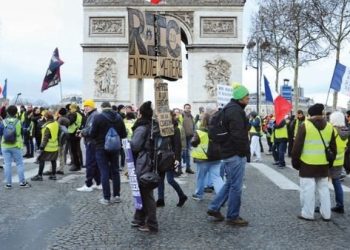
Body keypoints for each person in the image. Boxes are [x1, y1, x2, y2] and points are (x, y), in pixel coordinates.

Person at [207, 84, 250, 226]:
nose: (249, 99)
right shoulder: (236, 111)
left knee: (230, 183)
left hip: (227, 151)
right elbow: (238, 135)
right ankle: (232, 216)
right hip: (234, 153)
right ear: (240, 98)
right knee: (236, 187)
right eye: (247, 96)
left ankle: (214, 207)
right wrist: (243, 152)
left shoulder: (228, 109)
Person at [292, 103, 336, 221]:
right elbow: (333, 148)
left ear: (309, 114)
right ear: (321, 114)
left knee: (308, 190)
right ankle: (326, 214)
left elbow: (297, 147)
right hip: (323, 164)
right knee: (324, 189)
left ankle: (308, 213)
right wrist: (329, 163)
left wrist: (295, 163)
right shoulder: (330, 126)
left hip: (307, 164)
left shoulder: (305, 125)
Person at [90, 102, 127, 205]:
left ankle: (106, 198)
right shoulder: (119, 117)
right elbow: (124, 134)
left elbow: (92, 134)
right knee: (115, 171)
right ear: (110, 108)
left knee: (104, 172)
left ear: (102, 108)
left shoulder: (98, 117)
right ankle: (117, 196)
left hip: (101, 148)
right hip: (115, 148)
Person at [130, 101, 158, 232]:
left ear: (140, 113)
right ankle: (139, 218)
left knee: (145, 193)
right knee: (142, 191)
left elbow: (135, 146)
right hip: (152, 161)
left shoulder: (141, 127)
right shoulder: (153, 125)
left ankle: (151, 223)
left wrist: (127, 143)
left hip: (144, 162)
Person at [156, 110, 188, 207]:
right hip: (160, 156)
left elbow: (177, 145)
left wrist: (177, 159)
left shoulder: (175, 129)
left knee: (170, 179)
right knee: (160, 179)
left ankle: (182, 196)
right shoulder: (158, 128)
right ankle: (160, 199)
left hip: (170, 157)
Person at [191, 112, 224, 201]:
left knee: (201, 177)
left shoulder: (199, 131)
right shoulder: (218, 131)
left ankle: (198, 195)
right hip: (216, 157)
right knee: (217, 177)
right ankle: (222, 196)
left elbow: (193, 143)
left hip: (203, 158)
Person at [1, 105, 31, 188]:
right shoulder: (18, 122)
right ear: (16, 113)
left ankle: (8, 184)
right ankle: (22, 183)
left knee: (7, 164)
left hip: (5, 145)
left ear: (7, 112)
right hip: (16, 145)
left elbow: (1, 133)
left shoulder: (3, 122)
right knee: (19, 164)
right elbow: (20, 133)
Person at [76, 99, 101, 192]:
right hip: (94, 142)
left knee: (90, 163)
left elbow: (90, 130)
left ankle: (88, 184)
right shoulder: (94, 115)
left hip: (91, 142)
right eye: (85, 106)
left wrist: (82, 133)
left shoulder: (93, 116)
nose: (85, 108)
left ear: (92, 107)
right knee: (95, 163)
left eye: (87, 106)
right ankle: (99, 183)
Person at [328, 111, 349, 214]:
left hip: (330, 160)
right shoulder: (346, 131)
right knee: (337, 183)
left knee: (323, 183)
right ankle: (340, 205)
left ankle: (324, 205)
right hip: (340, 160)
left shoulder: (332, 130)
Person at [31, 111, 60, 181]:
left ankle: (39, 175)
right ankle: (53, 175)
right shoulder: (56, 123)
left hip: (48, 147)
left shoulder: (47, 126)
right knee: (53, 160)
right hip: (55, 145)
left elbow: (45, 138)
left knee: (41, 160)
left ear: (46, 117)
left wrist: (41, 147)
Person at [67, 103, 83, 171]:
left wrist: (68, 115)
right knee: (77, 149)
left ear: (73, 108)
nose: (70, 110)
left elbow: (69, 122)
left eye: (70, 109)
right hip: (77, 132)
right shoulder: (79, 114)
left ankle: (76, 165)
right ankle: (79, 163)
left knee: (73, 150)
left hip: (72, 133)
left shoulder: (73, 114)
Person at [181, 103, 195, 174]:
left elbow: (193, 125)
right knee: (183, 152)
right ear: (184, 108)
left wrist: (194, 133)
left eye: (189, 108)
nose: (188, 109)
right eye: (186, 107)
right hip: (183, 137)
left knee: (188, 153)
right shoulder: (182, 115)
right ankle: (179, 169)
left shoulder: (191, 116)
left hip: (189, 137)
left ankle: (188, 167)